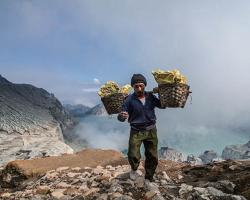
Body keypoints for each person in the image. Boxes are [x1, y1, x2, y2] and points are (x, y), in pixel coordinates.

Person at [117, 73, 165, 185]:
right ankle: (134, 170)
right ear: (133, 87)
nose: (139, 88)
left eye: (141, 85)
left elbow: (162, 105)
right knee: (133, 153)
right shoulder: (128, 100)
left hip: (151, 130)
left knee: (152, 155)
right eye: (136, 86)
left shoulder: (151, 97)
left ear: (145, 85)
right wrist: (121, 116)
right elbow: (121, 117)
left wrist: (161, 93)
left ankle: (149, 177)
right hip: (136, 131)